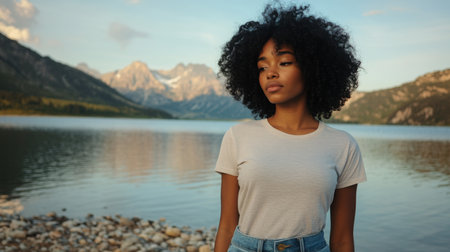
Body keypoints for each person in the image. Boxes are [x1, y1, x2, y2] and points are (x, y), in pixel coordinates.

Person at [214, 3, 366, 252]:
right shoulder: (238, 136)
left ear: (312, 67)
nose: (270, 73)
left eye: (284, 62)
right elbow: (227, 224)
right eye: (262, 67)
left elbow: (342, 239)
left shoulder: (343, 145)